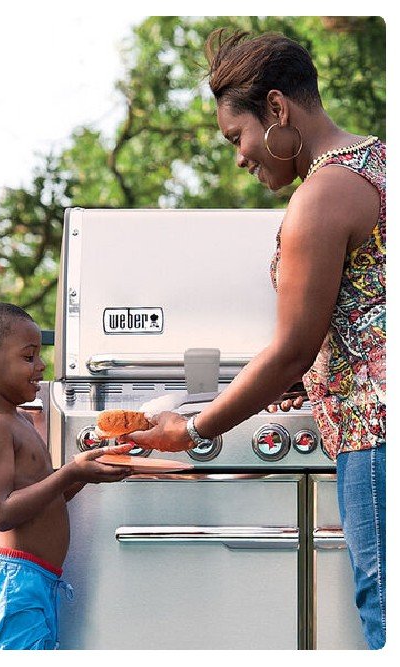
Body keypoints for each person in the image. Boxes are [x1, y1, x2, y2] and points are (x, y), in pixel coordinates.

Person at [122, 29, 386, 650]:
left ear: (276, 109)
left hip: (377, 439)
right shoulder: (379, 162)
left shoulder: (322, 197)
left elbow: (293, 346)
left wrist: (192, 430)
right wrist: (313, 379)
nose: (240, 157)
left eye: (236, 137)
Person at [0, 300, 132, 650]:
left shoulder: (20, 420)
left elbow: (42, 498)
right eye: (29, 357)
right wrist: (69, 472)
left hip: (37, 579)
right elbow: (1, 513)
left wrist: (86, 474)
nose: (41, 365)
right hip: (13, 583)